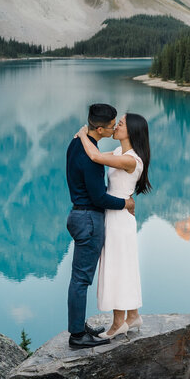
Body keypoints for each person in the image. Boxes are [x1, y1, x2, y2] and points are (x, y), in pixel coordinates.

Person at [65, 103, 135, 349]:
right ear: (100, 128)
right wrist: (125, 203)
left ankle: (79, 325)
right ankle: (76, 335)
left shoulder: (76, 143)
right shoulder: (91, 156)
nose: (115, 127)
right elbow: (99, 198)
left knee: (79, 278)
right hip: (89, 219)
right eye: (112, 125)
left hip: (77, 215)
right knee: (81, 280)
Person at [76, 112, 151, 340]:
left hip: (119, 219)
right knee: (124, 265)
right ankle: (133, 315)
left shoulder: (131, 159)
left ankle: (118, 323)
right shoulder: (120, 152)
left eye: (120, 124)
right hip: (116, 214)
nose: (115, 126)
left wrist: (82, 135)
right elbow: (95, 156)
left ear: (132, 131)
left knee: (118, 266)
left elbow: (96, 157)